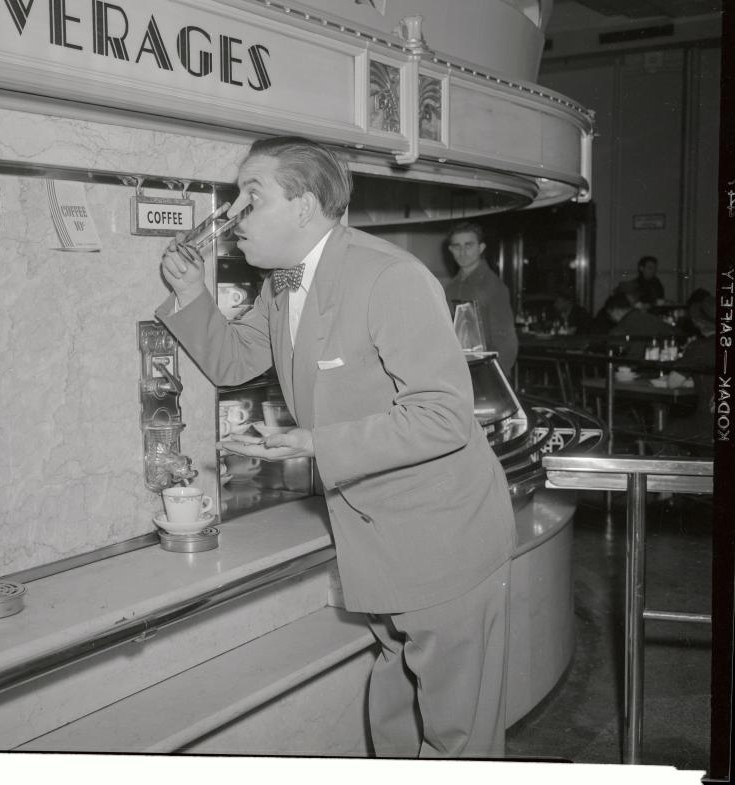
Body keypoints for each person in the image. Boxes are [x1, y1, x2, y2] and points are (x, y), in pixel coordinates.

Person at [156, 136, 515, 758]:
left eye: (252, 195)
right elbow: (233, 359)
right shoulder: (281, 284)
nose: (232, 214)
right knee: (398, 700)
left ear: (304, 205)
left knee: (460, 732)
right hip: (373, 534)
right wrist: (191, 290)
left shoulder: (389, 276)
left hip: (441, 535)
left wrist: (315, 441)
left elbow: (443, 417)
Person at [443, 221, 518, 375]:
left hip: (486, 374)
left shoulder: (493, 287)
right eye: (457, 246)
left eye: (468, 245)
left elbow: (507, 343)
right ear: (450, 249)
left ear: (481, 248)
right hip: (458, 373)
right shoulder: (449, 288)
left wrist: (498, 379)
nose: (462, 252)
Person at [599, 291, 676, 357]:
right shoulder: (652, 318)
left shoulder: (620, 329)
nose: (612, 319)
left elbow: (613, 355)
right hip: (660, 367)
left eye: (610, 315)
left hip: (630, 371)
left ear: (616, 310)